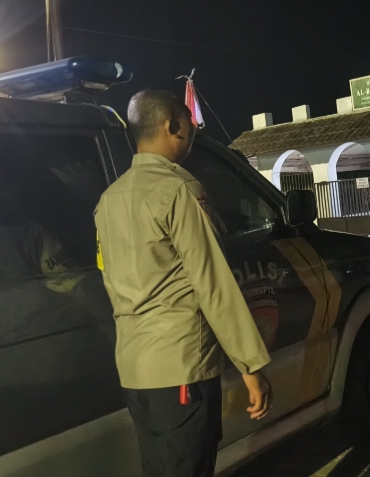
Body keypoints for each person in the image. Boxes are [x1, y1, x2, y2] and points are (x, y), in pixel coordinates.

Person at [94, 88, 271, 477]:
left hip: (135, 369)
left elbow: (110, 278)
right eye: (189, 123)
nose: (192, 132)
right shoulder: (178, 190)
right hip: (181, 368)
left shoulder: (108, 200)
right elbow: (213, 281)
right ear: (172, 126)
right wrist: (250, 365)